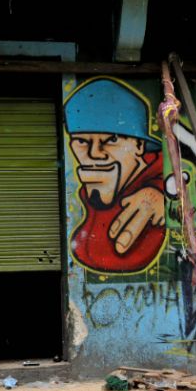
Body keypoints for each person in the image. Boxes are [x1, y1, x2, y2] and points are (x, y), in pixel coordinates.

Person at [64, 78, 166, 273]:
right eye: (82, 141)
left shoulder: (162, 185)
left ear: (139, 145)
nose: (95, 153)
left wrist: (162, 192)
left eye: (111, 140)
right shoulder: (92, 196)